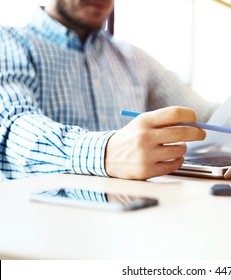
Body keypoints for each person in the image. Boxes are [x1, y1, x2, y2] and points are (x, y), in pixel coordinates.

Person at [0, 0, 217, 181]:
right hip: (42, 221)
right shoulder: (10, 43)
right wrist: (103, 152)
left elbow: (204, 115)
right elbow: (12, 128)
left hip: (130, 215)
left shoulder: (134, 58)